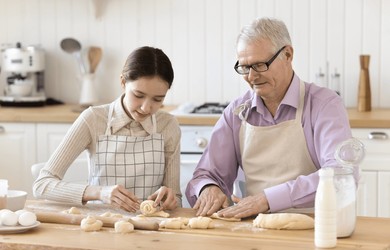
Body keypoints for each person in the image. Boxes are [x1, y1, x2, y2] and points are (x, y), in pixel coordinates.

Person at [185, 17, 352, 219]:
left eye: (260, 65)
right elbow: (206, 175)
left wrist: (267, 200)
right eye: (245, 68)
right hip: (253, 228)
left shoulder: (324, 105)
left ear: (288, 55)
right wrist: (208, 188)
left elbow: (341, 176)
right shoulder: (236, 113)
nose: (252, 77)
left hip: (315, 227)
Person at [33, 46, 181, 212]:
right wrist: (99, 193)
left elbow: (176, 200)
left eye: (157, 99)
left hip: (152, 229)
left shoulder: (168, 125)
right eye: (138, 95)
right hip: (101, 226)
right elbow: (42, 185)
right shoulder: (94, 119)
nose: (146, 108)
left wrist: (171, 199)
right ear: (123, 82)